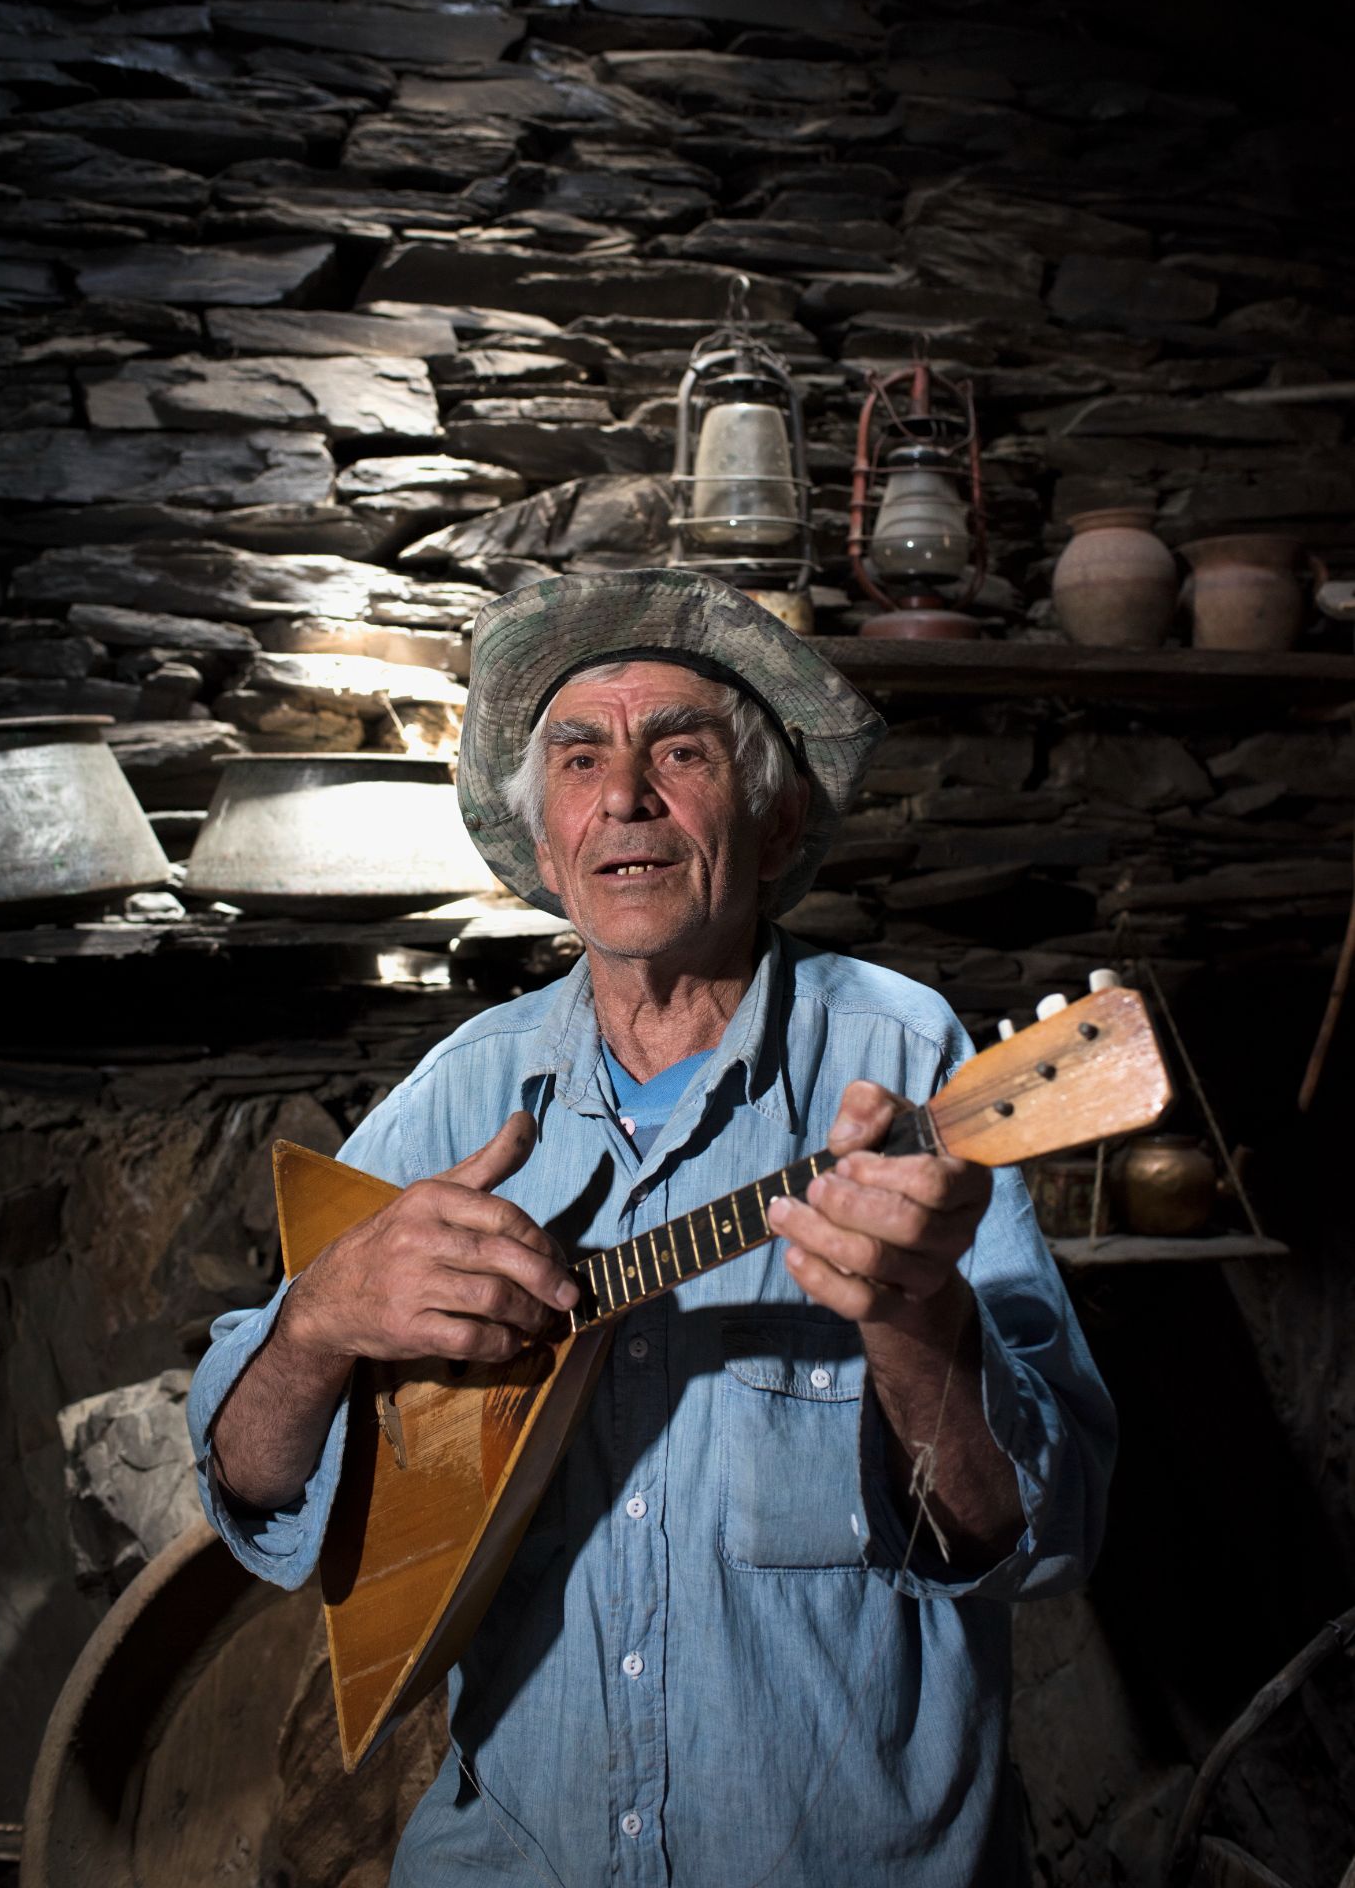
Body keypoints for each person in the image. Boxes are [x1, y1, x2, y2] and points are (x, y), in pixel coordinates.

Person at [189, 567, 1115, 1888]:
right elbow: (248, 1484)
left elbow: (1040, 1533)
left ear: (773, 821)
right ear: (546, 843)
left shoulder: (904, 1060)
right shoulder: (455, 1094)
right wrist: (318, 1327)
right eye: (579, 758)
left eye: (680, 752)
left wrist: (918, 1322)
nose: (623, 796)